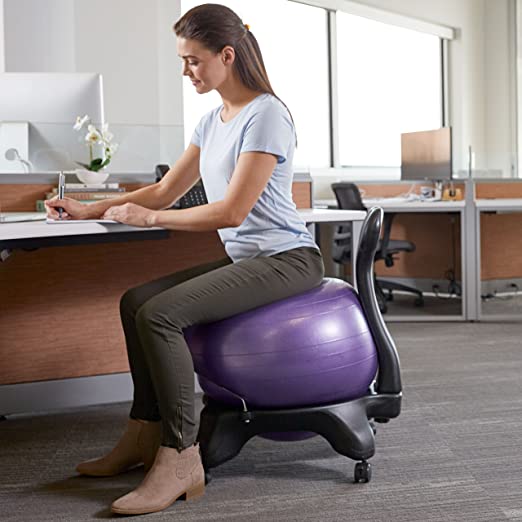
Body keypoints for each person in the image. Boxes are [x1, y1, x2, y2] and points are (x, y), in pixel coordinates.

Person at [46, 3, 324, 516]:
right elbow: (166, 189)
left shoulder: (267, 114)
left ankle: (179, 457)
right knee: (136, 301)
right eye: (181, 60)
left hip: (288, 259)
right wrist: (92, 206)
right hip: (251, 259)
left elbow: (234, 211)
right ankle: (143, 435)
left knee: (161, 314)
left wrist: (150, 220)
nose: (185, 71)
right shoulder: (211, 120)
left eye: (193, 60)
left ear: (227, 55)